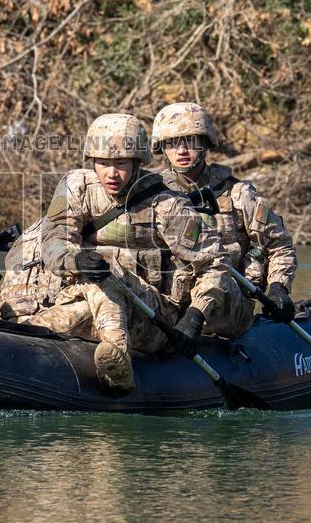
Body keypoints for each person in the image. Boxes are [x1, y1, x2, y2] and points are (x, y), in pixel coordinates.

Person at [22, 113, 229, 396]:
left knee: (107, 267)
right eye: (103, 164)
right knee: (61, 319)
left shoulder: (165, 202)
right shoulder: (77, 187)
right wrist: (76, 259)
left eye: (120, 164)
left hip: (154, 316)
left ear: (136, 162)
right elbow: (54, 239)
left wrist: (195, 316)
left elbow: (213, 262)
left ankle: (118, 361)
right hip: (91, 302)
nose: (111, 173)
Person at [152, 102, 298, 331]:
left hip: (227, 300)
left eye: (190, 141)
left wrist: (278, 287)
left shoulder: (238, 194)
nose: (181, 151)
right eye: (171, 143)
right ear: (161, 147)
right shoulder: (152, 196)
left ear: (205, 143)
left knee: (217, 278)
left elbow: (279, 245)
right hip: (171, 300)